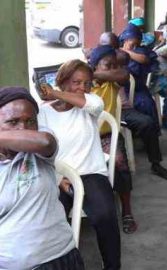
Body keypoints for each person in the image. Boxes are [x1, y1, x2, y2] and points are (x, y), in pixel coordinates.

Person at [37, 60, 121, 269]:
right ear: (63, 81)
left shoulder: (90, 104)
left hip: (90, 172)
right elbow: (41, 153)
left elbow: (93, 104)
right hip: (58, 176)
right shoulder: (44, 113)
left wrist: (55, 94)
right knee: (49, 219)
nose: (82, 88)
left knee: (105, 216)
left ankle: (112, 266)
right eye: (76, 82)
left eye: (86, 83)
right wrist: (58, 179)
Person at [0, 87, 84, 269]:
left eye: (30, 121)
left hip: (59, 258)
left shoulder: (41, 146)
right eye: (12, 122)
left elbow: (44, 142)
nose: (23, 128)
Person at [89, 44, 138, 234]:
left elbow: (123, 75)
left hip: (106, 135)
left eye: (114, 65)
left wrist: (95, 74)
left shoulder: (112, 81)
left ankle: (126, 210)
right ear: (94, 65)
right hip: (83, 136)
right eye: (107, 65)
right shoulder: (83, 84)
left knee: (119, 162)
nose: (113, 69)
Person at [119, 24, 167, 180]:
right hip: (116, 99)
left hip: (136, 90)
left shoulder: (140, 51)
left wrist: (126, 52)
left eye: (136, 39)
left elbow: (145, 60)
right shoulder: (108, 56)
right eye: (130, 39)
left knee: (146, 105)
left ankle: (153, 156)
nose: (133, 42)